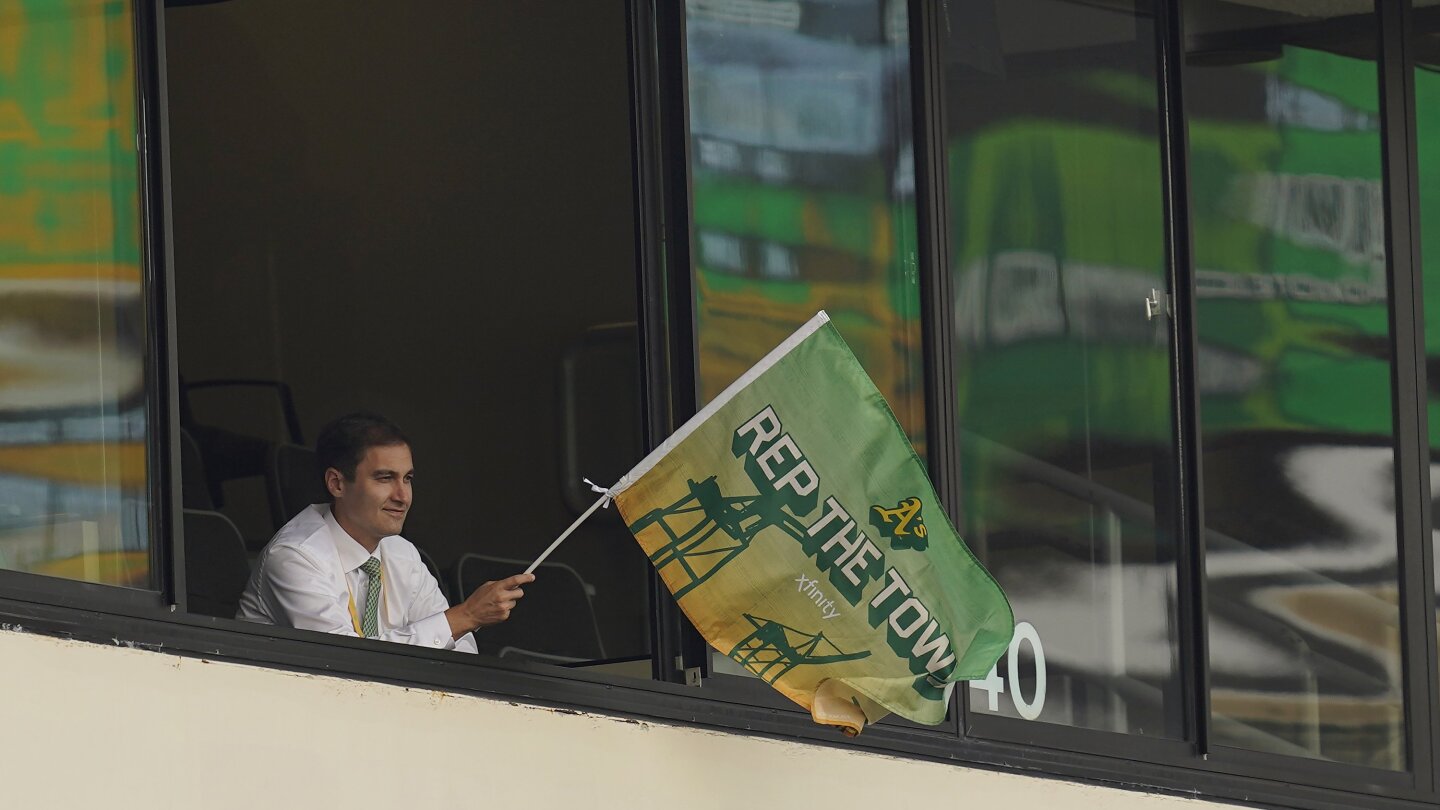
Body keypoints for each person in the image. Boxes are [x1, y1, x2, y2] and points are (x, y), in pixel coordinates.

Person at [237, 412, 533, 652]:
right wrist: (466, 615)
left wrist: (456, 625)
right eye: (385, 478)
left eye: (408, 478)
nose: (403, 496)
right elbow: (345, 664)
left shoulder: (401, 553)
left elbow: (461, 650)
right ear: (336, 484)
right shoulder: (295, 556)